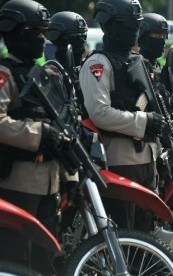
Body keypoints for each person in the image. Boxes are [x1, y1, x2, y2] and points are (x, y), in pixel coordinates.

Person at [79, 0, 166, 231]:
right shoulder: (98, 64)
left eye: (136, 24)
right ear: (111, 26)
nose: (134, 30)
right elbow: (100, 113)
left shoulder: (138, 61)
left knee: (146, 234)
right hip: (119, 161)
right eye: (129, 25)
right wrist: (144, 121)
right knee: (124, 234)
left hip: (149, 159)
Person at [0, 0, 60, 273]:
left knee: (46, 260)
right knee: (16, 259)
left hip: (50, 181)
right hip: (19, 182)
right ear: (16, 32)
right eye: (36, 31)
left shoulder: (43, 73)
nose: (42, 38)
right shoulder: (5, 73)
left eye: (44, 31)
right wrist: (38, 133)